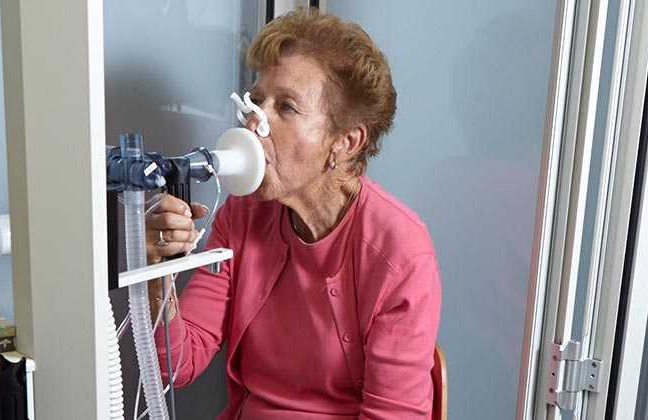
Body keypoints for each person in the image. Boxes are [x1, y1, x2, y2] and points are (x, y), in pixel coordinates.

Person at [146, 8, 441, 419]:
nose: (255, 119)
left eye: (286, 107)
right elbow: (178, 364)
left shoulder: (399, 254)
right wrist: (160, 274)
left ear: (345, 142)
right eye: (258, 98)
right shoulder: (244, 213)